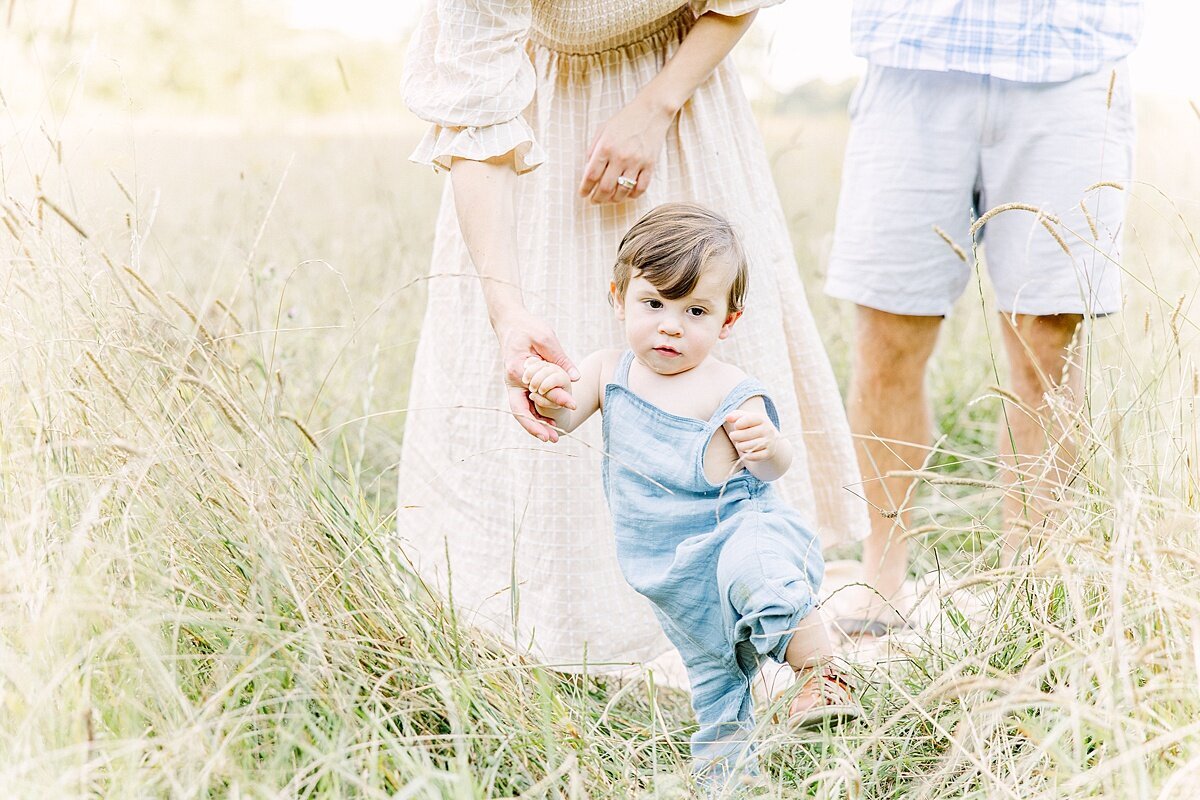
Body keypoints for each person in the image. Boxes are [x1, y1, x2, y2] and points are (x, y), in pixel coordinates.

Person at [398, 0, 867, 672]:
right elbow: (476, 122)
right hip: (541, 132)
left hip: (681, 98)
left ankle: (800, 651)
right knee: (564, 380)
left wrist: (654, 108)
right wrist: (506, 309)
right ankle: (550, 647)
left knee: (710, 373)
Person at [826, 1, 1143, 632]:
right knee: (887, 337)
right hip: (912, 55)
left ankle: (1033, 581)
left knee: (1046, 348)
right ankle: (882, 571)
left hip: (1071, 56)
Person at [522, 203, 860, 779]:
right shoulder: (609, 372)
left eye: (695, 310)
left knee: (762, 581)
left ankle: (823, 677)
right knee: (715, 682)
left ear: (728, 321)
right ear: (618, 297)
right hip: (674, 572)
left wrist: (768, 444)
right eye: (652, 304)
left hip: (740, 530)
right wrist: (548, 386)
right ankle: (729, 780)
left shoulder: (728, 387)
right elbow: (561, 415)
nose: (670, 325)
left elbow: (777, 469)